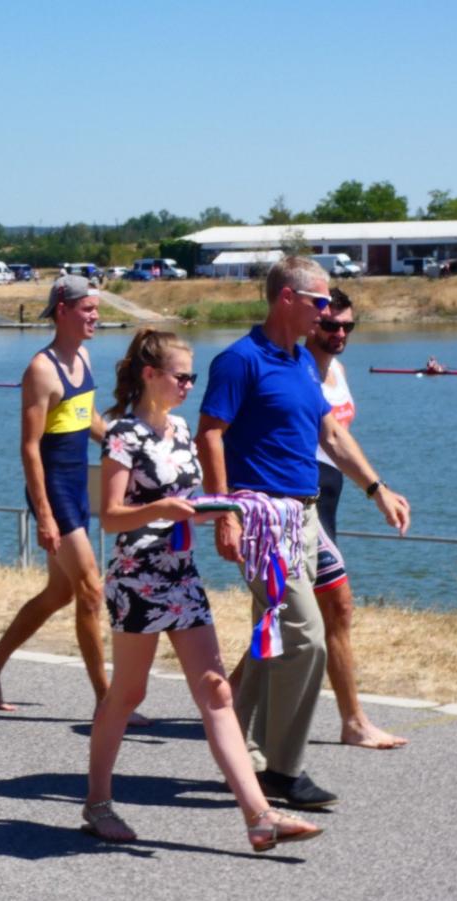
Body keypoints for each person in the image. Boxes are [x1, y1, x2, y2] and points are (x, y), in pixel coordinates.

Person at [84, 329, 320, 852]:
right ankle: (98, 802)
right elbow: (111, 517)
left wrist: (237, 508)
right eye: (182, 376)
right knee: (128, 694)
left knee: (215, 690)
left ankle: (259, 816)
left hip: (181, 573)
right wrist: (161, 509)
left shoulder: (182, 428)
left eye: (192, 376)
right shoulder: (124, 434)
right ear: (151, 375)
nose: (190, 384)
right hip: (138, 576)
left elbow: (191, 499)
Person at [196, 257, 410, 810]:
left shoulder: (299, 363)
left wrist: (377, 489)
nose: (325, 312)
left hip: (305, 518)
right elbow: (210, 435)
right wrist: (224, 513)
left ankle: (238, 753)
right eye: (318, 302)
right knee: (306, 634)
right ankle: (283, 768)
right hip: (262, 518)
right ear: (287, 299)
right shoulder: (239, 360)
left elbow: (330, 435)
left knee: (269, 640)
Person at [229, 288, 408, 750]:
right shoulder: (294, 367)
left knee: (282, 613)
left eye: (348, 326)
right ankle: (352, 722)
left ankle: (228, 700)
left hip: (330, 496)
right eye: (330, 325)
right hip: (296, 498)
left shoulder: (335, 372)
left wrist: (377, 488)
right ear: (313, 323)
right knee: (336, 606)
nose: (340, 333)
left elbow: (337, 437)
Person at [0, 275, 144, 724]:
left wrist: (129, 446)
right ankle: (107, 700)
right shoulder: (41, 370)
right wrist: (44, 515)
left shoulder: (82, 356)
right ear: (62, 311)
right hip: (53, 492)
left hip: (75, 484)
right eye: (88, 309)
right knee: (91, 590)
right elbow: (29, 448)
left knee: (59, 592)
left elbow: (86, 418)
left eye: (96, 309)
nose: (95, 317)